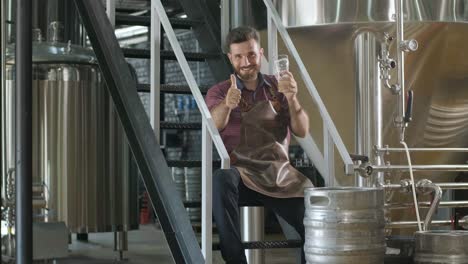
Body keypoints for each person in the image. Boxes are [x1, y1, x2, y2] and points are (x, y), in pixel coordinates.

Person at [205, 26, 312, 264]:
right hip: (241, 175)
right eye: (239, 56)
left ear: (260, 53)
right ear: (230, 58)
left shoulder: (279, 85)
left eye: (251, 54)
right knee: (221, 179)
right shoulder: (220, 91)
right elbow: (213, 125)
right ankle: (236, 260)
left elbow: (302, 129)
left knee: (315, 224)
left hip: (278, 175)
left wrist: (292, 98)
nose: (246, 62)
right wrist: (227, 105)